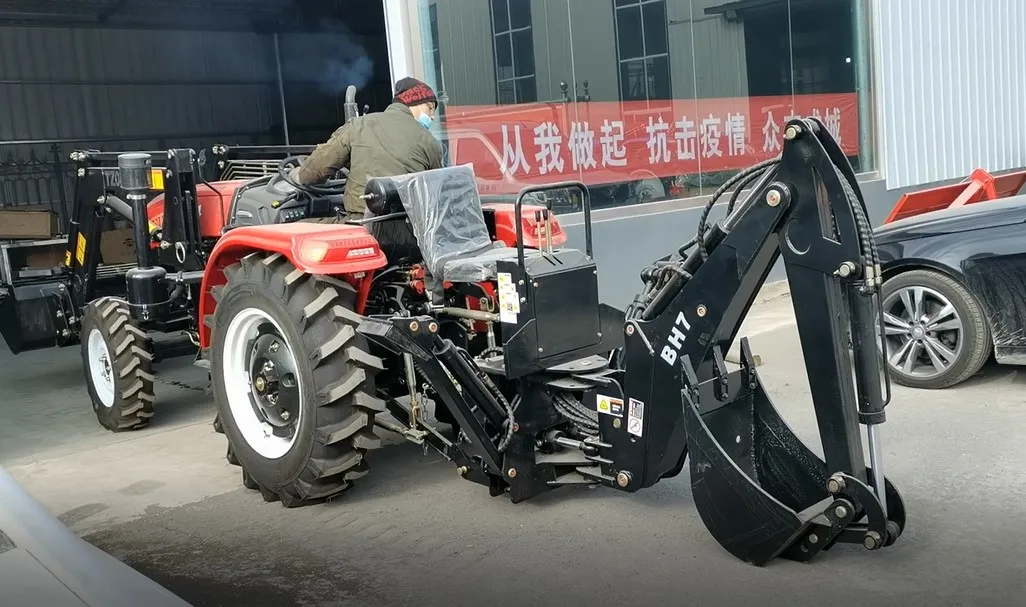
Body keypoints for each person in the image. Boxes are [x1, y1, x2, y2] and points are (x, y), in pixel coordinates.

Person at [292, 77, 445, 220]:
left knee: (297, 228)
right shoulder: (430, 142)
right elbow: (436, 194)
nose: (432, 116)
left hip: (362, 226)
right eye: (430, 108)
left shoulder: (359, 125)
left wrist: (297, 175)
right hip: (409, 230)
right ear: (414, 102)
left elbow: (315, 170)